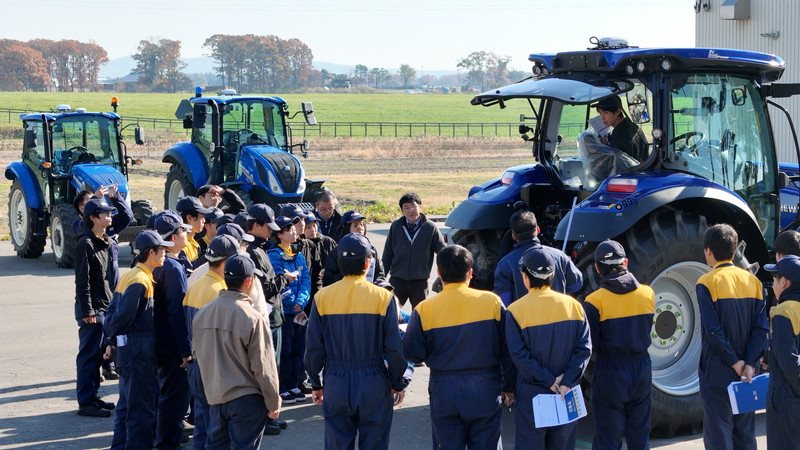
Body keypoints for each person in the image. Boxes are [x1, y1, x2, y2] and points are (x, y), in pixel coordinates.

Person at [403, 245, 514, 449]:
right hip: (485, 387)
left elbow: (412, 353)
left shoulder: (424, 309)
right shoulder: (491, 302)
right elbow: (508, 348)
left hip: (444, 388)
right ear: (470, 273)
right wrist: (508, 386)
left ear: (438, 273)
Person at [304, 233, 409, 449]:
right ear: (368, 263)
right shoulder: (384, 297)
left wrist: (316, 383)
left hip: (336, 380)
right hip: (373, 380)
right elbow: (394, 348)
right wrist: (397, 383)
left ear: (339, 262)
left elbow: (314, 347)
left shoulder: (322, 297)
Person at [192, 254, 282, 450]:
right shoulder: (252, 317)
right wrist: (273, 402)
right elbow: (263, 367)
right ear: (249, 281)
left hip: (215, 397)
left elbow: (198, 355)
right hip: (246, 399)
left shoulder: (203, 313)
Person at [505, 246, 591, 449]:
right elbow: (584, 348)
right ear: (553, 275)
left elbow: (518, 355)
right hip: (566, 393)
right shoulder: (574, 306)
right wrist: (566, 382)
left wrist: (549, 381)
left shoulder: (515, 310)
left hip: (532, 393)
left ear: (525, 276)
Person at [696, 224, 768, 450]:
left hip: (717, 372)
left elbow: (713, 331)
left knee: (719, 435)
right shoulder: (754, 282)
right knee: (745, 435)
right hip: (747, 374)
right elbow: (761, 330)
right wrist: (749, 364)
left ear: (709, 251)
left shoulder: (706, 282)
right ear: (735, 249)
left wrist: (734, 362)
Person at [583, 240, 654, 450]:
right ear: (626, 262)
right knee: (639, 437)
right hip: (642, 368)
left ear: (597, 268)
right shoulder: (648, 293)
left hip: (610, 370)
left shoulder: (594, 301)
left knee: (608, 438)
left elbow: (592, 344)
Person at [105, 230, 172, 449]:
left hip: (129, 352)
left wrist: (111, 341)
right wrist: (113, 337)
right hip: (137, 354)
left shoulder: (131, 275)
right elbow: (122, 316)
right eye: (162, 249)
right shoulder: (141, 280)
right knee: (140, 411)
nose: (165, 253)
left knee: (126, 407)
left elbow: (112, 311)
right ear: (151, 252)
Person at [183, 234, 240, 449]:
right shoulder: (220, 292)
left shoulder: (196, 285)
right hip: (214, 368)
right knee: (216, 432)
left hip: (196, 363)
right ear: (226, 261)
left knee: (202, 424)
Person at [245, 203, 292, 434]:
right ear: (256, 225)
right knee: (265, 371)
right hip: (265, 318)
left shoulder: (261, 248)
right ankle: (264, 418)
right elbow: (265, 287)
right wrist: (285, 279)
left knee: (273, 369)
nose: (271, 231)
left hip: (273, 316)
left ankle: (269, 415)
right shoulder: (253, 252)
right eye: (267, 227)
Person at [151, 212, 194, 450]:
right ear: (174, 237)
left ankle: (163, 438)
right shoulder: (173, 268)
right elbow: (177, 313)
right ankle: (168, 443)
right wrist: (185, 349)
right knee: (173, 398)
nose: (187, 233)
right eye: (183, 230)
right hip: (171, 345)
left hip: (159, 340)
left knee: (164, 394)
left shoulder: (160, 263)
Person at [74, 198, 117, 418]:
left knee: (99, 356)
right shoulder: (85, 244)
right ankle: (86, 402)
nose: (110, 216)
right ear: (93, 218)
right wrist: (87, 311)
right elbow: (82, 282)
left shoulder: (105, 241)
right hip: (93, 310)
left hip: (105, 306)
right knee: (89, 356)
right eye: (105, 213)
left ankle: (93, 396)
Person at [493, 209, 582, 306]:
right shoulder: (560, 256)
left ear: (513, 236)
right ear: (538, 229)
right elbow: (576, 284)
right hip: (559, 313)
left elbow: (504, 300)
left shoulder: (506, 264)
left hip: (524, 315)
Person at [268, 215, 312, 405]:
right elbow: (279, 282)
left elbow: (306, 280)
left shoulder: (298, 254)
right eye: (288, 230)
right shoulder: (274, 255)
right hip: (284, 312)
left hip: (299, 311)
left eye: (293, 229)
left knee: (298, 348)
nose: (294, 232)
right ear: (279, 234)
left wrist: (301, 301)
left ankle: (294, 384)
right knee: (284, 350)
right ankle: (283, 387)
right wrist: (292, 302)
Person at [382, 192, 446, 308]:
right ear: (402, 211)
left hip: (419, 282)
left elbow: (443, 252)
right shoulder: (396, 226)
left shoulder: (430, 227)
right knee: (392, 311)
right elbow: (387, 254)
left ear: (420, 206)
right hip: (397, 280)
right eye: (406, 207)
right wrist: (381, 278)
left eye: (413, 206)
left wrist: (447, 275)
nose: (411, 210)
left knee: (419, 313)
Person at [763, 255, 800, 450]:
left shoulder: (783, 311)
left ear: (784, 282)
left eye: (774, 281)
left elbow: (788, 359)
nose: (772, 286)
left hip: (786, 399)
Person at [324, 210, 386, 287]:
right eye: (355, 226)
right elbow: (329, 279)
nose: (360, 228)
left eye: (362, 225)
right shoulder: (337, 252)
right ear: (346, 228)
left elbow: (380, 274)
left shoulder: (371, 250)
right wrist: (350, 274)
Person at [593, 95, 649, 163]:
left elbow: (617, 163)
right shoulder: (632, 126)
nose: (602, 118)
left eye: (606, 113)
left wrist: (605, 147)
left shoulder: (620, 134)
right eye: (600, 113)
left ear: (617, 111)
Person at [175, 196, 212, 265]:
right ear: (189, 218)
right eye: (201, 217)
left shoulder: (192, 242)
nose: (204, 221)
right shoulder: (182, 245)